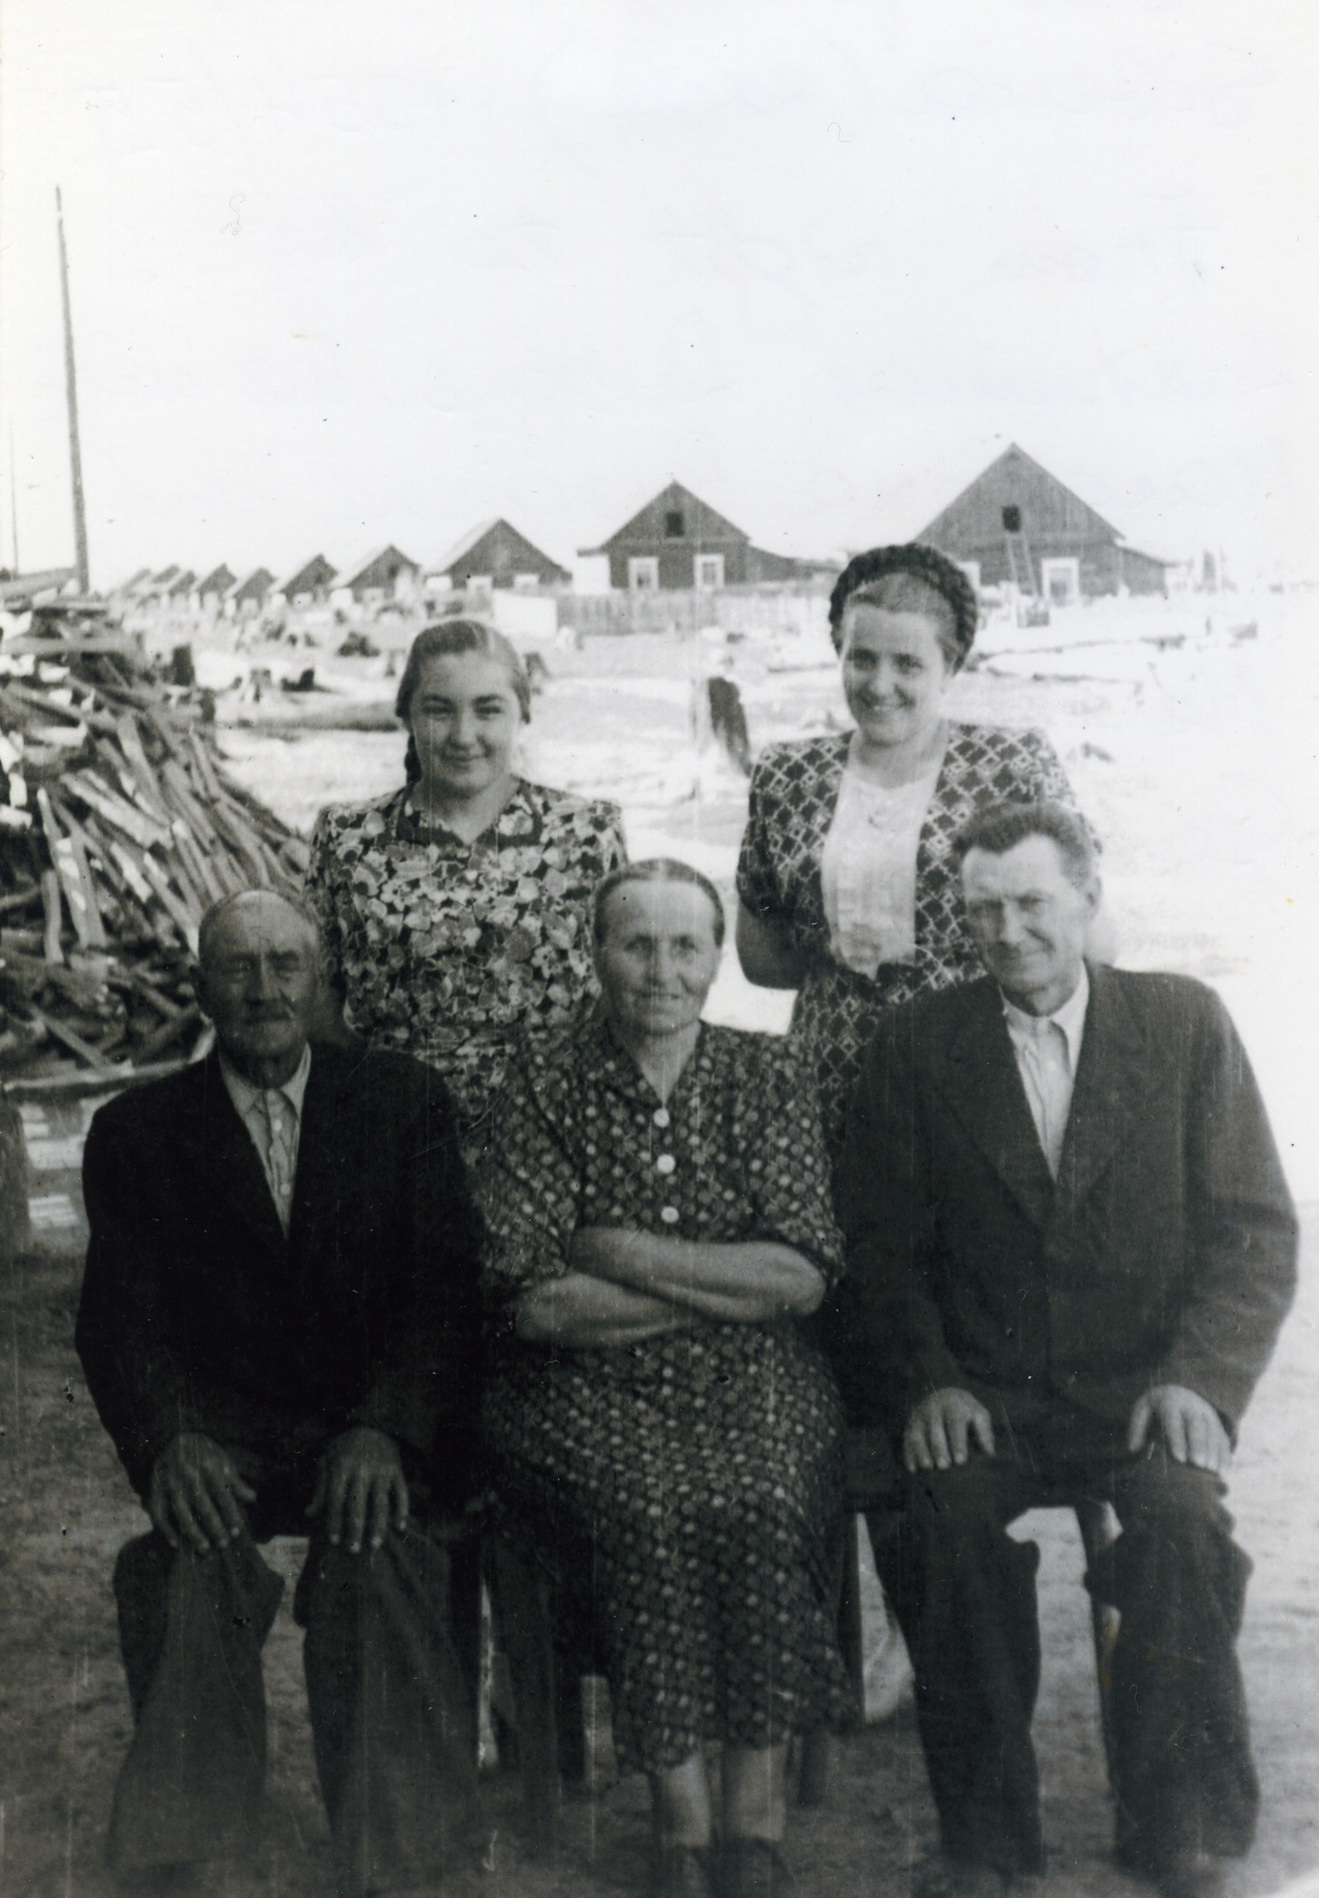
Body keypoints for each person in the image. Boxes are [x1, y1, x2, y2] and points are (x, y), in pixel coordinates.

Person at [832, 802, 1298, 1898]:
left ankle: (1171, 1818)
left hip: (1141, 1387)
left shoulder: (1183, 1023)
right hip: (985, 1392)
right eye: (981, 909)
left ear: (1087, 897)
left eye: (1031, 901)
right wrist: (928, 1382)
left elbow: (1253, 1230)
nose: (1007, 930)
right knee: (937, 1517)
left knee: (1181, 1517)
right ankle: (986, 1839)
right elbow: (877, 1246)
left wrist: (1200, 1378)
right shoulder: (917, 1042)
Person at [77, 890, 484, 1898]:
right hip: (224, 1433)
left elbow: (444, 1291)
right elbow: (119, 1316)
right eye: (237, 967)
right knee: (183, 1566)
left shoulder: (400, 1102)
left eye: (284, 964)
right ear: (202, 984)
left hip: (362, 1425)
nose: (262, 988)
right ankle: (194, 1848)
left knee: (378, 1550)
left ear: (320, 976)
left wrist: (386, 1425)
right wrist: (170, 1435)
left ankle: (397, 1853)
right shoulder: (137, 1130)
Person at [479, 860, 850, 1898]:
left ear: (717, 953)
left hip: (756, 1377)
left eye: (685, 944)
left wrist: (622, 1251)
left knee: (765, 1494)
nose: (661, 968)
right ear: (592, 952)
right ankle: (681, 1828)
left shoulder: (764, 1076)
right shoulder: (538, 1079)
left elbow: (801, 1274)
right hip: (578, 1383)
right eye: (634, 942)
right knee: (647, 1500)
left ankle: (754, 1820)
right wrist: (722, 1284)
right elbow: (534, 1298)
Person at [735, 543, 1086, 1157]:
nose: (881, 684)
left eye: (908, 664)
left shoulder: (1013, 766)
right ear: (838, 656)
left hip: (980, 1071)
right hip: (830, 1080)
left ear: (950, 667)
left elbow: (1085, 936)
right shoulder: (786, 775)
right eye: (861, 659)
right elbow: (761, 957)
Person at [303, 618, 626, 1149]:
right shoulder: (347, 837)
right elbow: (318, 1003)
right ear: (406, 716)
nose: (463, 735)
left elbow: (621, 999)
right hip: (394, 1139)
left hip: (556, 1138)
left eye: (488, 709)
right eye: (438, 709)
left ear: (524, 712)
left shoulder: (588, 833)